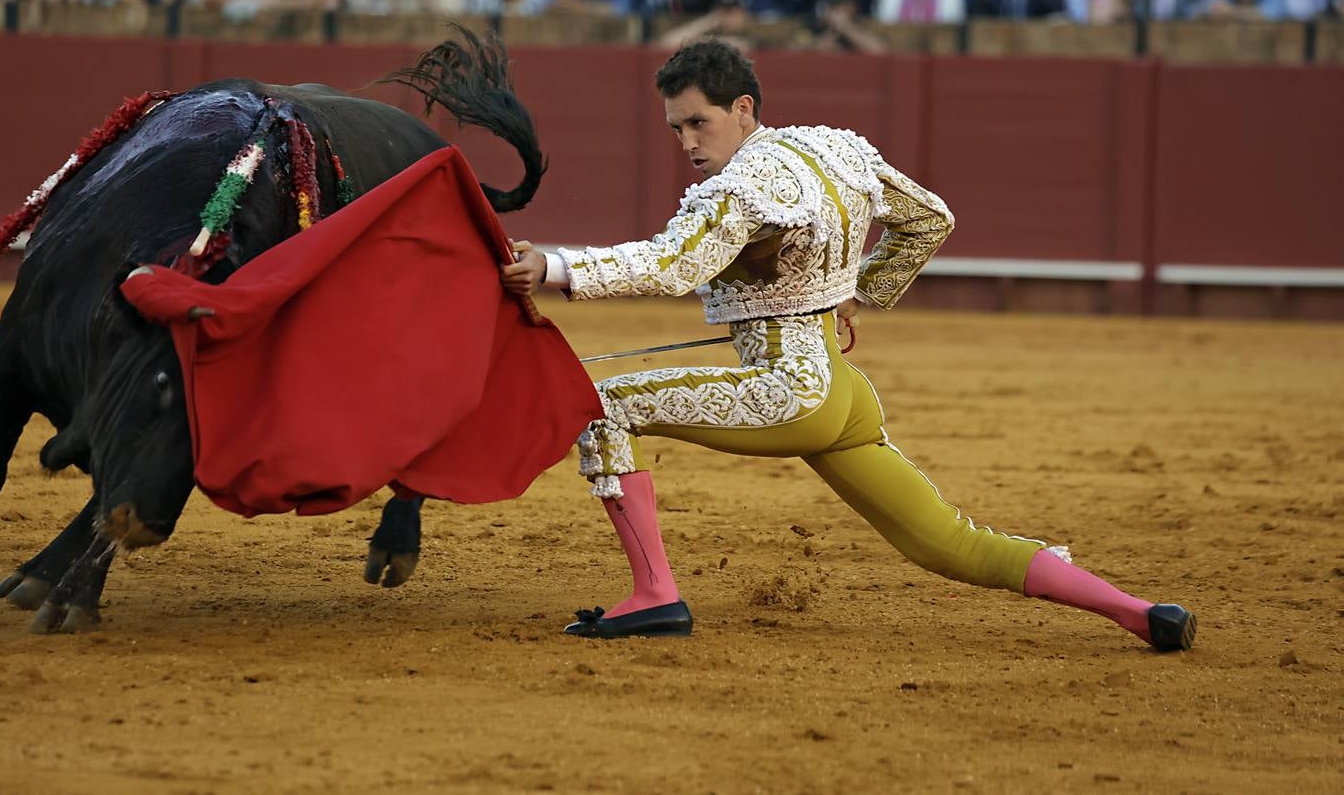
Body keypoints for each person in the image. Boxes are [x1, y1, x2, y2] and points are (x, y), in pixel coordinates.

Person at [499, 40, 1197, 652]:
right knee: (945, 542)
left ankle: (654, 596)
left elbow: (669, 266)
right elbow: (930, 220)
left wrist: (556, 266)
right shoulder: (836, 148)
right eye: (676, 126)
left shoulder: (738, 188)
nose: (686, 140)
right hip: (842, 394)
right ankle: (1139, 613)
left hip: (788, 393)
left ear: (743, 108)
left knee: (598, 401)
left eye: (698, 122)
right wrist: (854, 289)